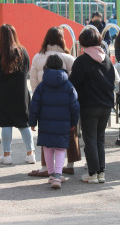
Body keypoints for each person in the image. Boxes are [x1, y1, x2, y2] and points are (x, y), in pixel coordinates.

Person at [69, 27, 119, 184]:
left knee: (89, 139)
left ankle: (92, 173)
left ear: (83, 43)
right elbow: (115, 81)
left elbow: (72, 83)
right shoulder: (107, 60)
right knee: (99, 139)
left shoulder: (82, 61)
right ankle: (101, 173)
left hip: (89, 106)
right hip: (106, 105)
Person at [28, 27, 79, 177]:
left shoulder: (38, 57)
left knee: (46, 137)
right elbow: (74, 82)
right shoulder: (69, 58)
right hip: (65, 104)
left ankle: (46, 168)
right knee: (70, 133)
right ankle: (69, 165)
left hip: (45, 104)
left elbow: (33, 81)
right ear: (62, 40)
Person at [0, 24, 35, 165]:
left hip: (2, 94)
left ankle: (7, 156)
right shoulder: (23, 52)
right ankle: (30, 154)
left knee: (5, 124)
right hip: (20, 94)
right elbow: (27, 70)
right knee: (23, 124)